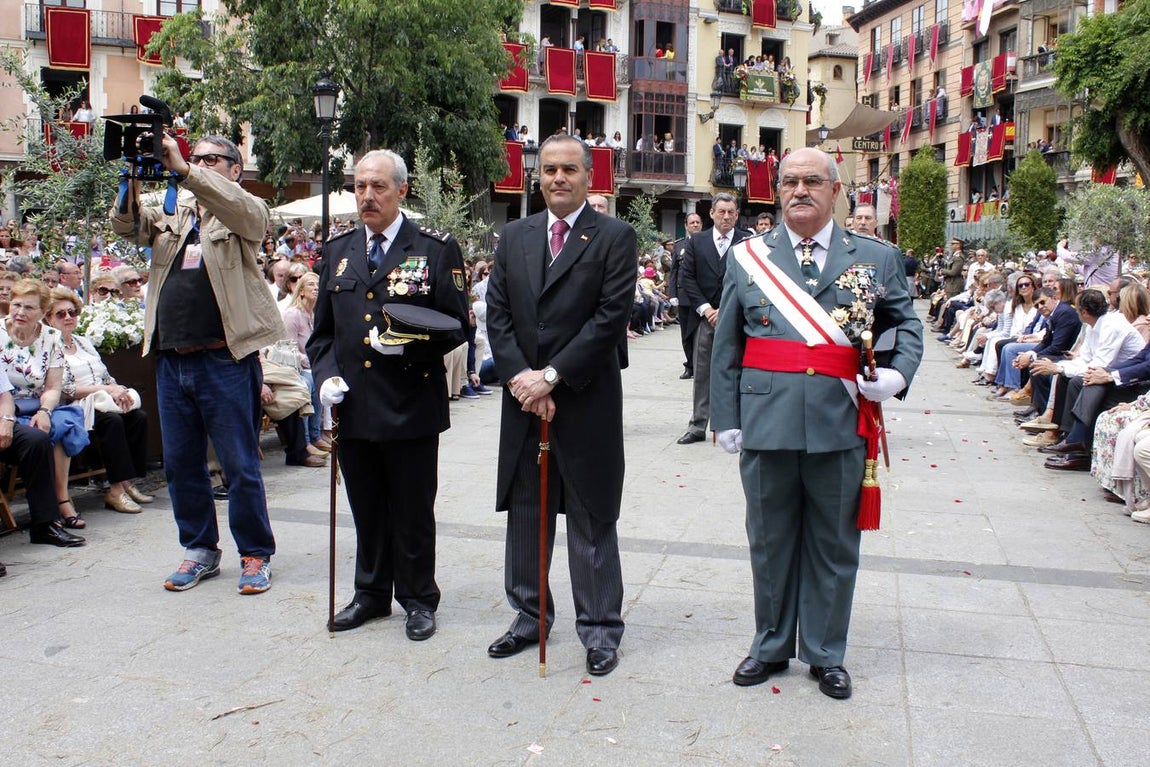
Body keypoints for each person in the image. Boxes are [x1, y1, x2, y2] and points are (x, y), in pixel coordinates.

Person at [710, 148, 923, 699]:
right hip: (766, 419)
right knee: (770, 540)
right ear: (777, 191)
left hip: (839, 419)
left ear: (835, 190)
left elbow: (907, 325)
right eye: (789, 182)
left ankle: (826, 653)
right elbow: (727, 344)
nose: (799, 190)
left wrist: (895, 376)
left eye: (811, 181)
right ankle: (771, 645)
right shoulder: (748, 257)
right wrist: (725, 417)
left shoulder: (875, 257)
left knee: (833, 544)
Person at [484, 135, 635, 676]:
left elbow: (609, 318)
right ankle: (529, 615)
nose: (558, 178)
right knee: (527, 513)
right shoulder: (514, 235)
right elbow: (497, 315)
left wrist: (551, 376)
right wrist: (522, 381)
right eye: (549, 169)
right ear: (537, 175)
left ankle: (599, 629)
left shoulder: (615, 237)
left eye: (569, 169)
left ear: (588, 175)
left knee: (591, 517)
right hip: (525, 403)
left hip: (583, 400)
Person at [110, 132, 282, 595]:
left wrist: (187, 170)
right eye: (196, 157)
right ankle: (200, 549)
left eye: (211, 159)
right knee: (181, 465)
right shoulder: (174, 210)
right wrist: (130, 178)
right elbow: (126, 227)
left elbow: (247, 216)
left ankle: (255, 553)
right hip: (171, 359)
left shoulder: (245, 208)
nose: (198, 164)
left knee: (239, 464)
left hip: (224, 358)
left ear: (233, 169)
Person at [308, 149, 469, 640]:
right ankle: (371, 594)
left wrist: (407, 346)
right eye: (359, 187)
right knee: (367, 505)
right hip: (355, 406)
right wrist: (327, 378)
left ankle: (419, 598)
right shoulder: (338, 250)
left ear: (402, 191)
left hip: (410, 403)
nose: (367, 196)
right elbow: (322, 335)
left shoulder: (435, 250)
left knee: (412, 507)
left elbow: (459, 325)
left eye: (378, 187)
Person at [46, 287, 152, 513]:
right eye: (61, 314)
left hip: (103, 400)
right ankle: (115, 491)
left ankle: (126, 481)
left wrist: (117, 388)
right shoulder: (50, 346)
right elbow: (66, 389)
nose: (68, 318)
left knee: (137, 417)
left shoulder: (83, 341)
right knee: (111, 422)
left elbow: (105, 374)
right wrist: (105, 389)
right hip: (74, 406)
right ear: (48, 318)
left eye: (72, 312)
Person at [0, 279, 91, 531]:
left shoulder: (51, 337)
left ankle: (52, 514)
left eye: (29, 308)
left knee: (55, 427)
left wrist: (44, 411)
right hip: (5, 409)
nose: (20, 312)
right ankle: (52, 514)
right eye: (16, 305)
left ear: (42, 313)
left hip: (39, 405)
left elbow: (53, 386)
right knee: (36, 438)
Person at [676, 193, 750, 444]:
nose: (726, 217)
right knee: (702, 371)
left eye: (731, 212)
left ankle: (739, 423)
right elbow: (687, 278)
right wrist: (707, 310)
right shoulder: (697, 242)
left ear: (737, 214)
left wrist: (728, 309)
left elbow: (751, 280)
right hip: (705, 318)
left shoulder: (748, 242)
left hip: (737, 317)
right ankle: (698, 424)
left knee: (740, 369)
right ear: (712, 213)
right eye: (721, 212)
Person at [668, 212, 704, 379]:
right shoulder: (679, 245)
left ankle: (699, 366)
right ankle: (689, 365)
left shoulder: (708, 243)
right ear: (686, 226)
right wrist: (672, 294)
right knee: (685, 335)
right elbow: (674, 271)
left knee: (699, 333)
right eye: (692, 223)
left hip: (702, 298)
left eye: (698, 222)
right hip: (683, 296)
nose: (695, 225)